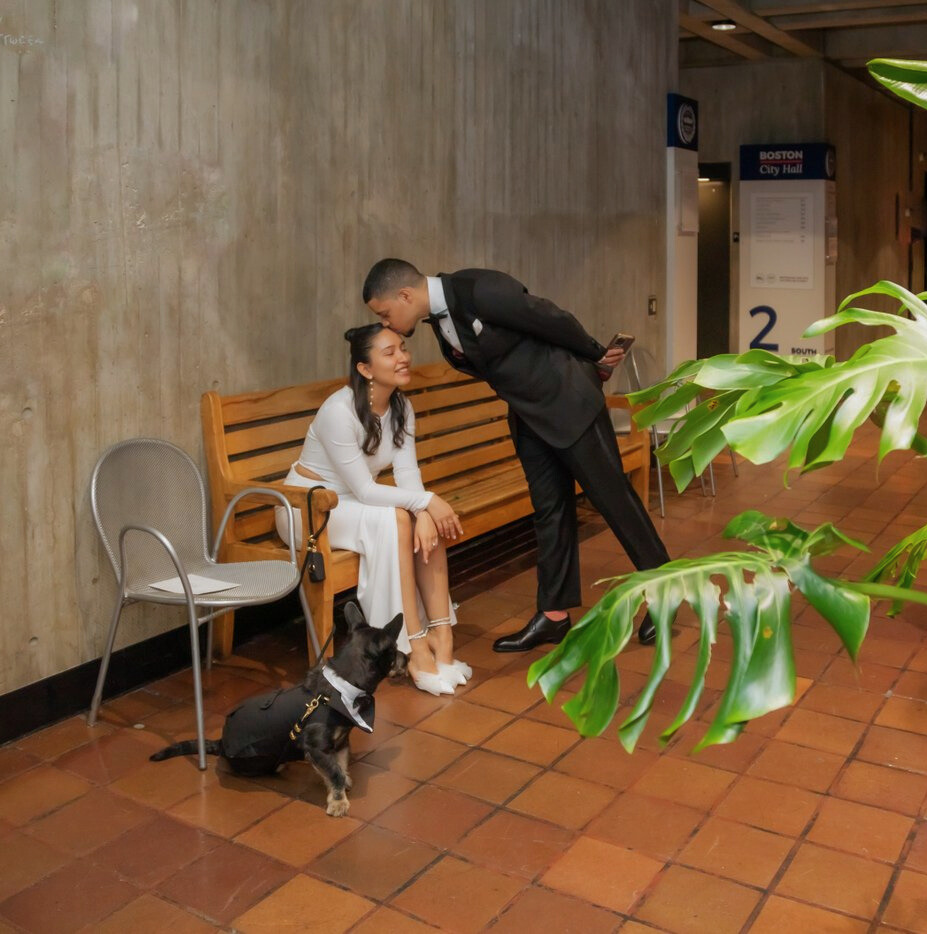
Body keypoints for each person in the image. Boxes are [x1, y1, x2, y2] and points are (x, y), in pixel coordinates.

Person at [363, 259, 670, 652]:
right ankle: (554, 614)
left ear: (405, 295)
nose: (388, 323)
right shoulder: (441, 322)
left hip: (568, 401)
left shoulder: (479, 289)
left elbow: (551, 319)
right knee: (550, 509)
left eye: (386, 313)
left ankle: (667, 590)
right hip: (528, 416)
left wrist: (595, 356)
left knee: (612, 500)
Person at [277, 324, 470, 696]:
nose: (403, 357)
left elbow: (407, 473)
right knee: (401, 516)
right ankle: (412, 646)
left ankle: (443, 640)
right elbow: (365, 489)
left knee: (415, 519)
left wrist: (425, 513)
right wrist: (426, 503)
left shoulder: (401, 405)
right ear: (365, 369)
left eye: (403, 348)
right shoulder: (338, 411)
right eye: (390, 352)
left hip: (353, 502)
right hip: (309, 507)